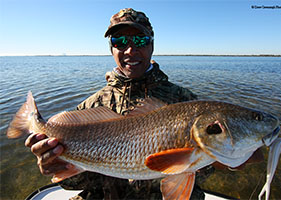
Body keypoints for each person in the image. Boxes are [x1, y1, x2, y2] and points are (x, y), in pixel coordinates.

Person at [25, 8, 261, 200]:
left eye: (139, 39)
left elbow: (198, 167)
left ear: (151, 45)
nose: (130, 49)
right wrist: (56, 167)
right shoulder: (91, 105)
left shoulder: (186, 102)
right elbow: (79, 178)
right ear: (111, 49)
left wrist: (230, 162)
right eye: (119, 41)